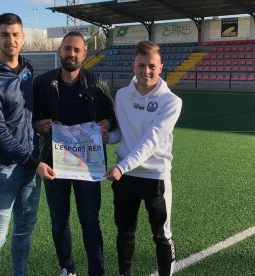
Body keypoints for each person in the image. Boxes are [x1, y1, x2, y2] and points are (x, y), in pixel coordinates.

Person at [0, 13, 55, 276]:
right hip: (2, 167)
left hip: (30, 166)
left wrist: (36, 124)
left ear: (23, 37)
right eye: (5, 34)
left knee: (23, 232)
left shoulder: (28, 69)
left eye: (16, 34)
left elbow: (22, 115)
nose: (11, 40)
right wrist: (35, 162)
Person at [33, 31, 116, 276]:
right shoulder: (43, 83)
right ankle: (67, 269)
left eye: (76, 50)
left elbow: (112, 116)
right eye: (67, 48)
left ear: (84, 54)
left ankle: (96, 270)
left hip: (88, 165)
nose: (72, 54)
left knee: (90, 220)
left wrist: (106, 126)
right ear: (60, 51)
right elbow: (29, 117)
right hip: (53, 163)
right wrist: (38, 124)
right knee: (59, 221)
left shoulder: (97, 83)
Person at [104, 41, 182, 276]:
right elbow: (122, 134)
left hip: (155, 177)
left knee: (161, 235)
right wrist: (107, 136)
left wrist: (121, 166)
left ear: (160, 68)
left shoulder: (171, 102)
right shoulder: (122, 95)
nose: (145, 71)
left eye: (151, 66)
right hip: (126, 178)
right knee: (125, 232)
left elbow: (151, 142)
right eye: (141, 65)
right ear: (133, 66)